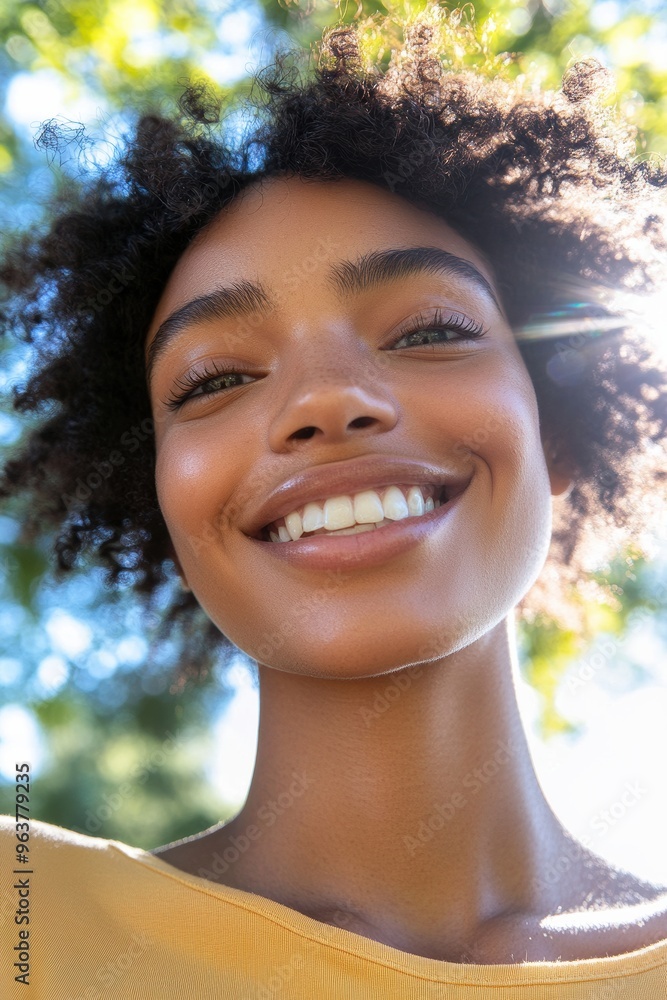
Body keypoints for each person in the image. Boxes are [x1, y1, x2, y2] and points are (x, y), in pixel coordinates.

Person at [1, 6, 667, 996]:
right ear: (166, 501)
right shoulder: (23, 922)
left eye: (427, 330)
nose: (324, 400)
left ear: (554, 428)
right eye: (213, 381)